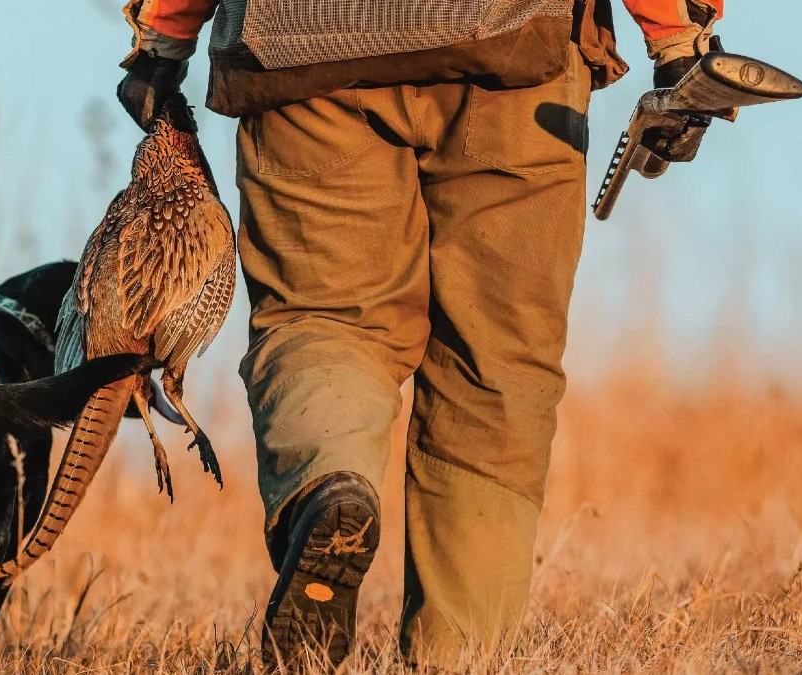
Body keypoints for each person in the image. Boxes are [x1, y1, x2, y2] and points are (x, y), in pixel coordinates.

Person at [116, 0, 723, 667]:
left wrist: (162, 39)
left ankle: (330, 479)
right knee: (496, 364)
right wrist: (679, 39)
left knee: (322, 318)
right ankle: (456, 653)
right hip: (516, 56)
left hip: (299, 48)